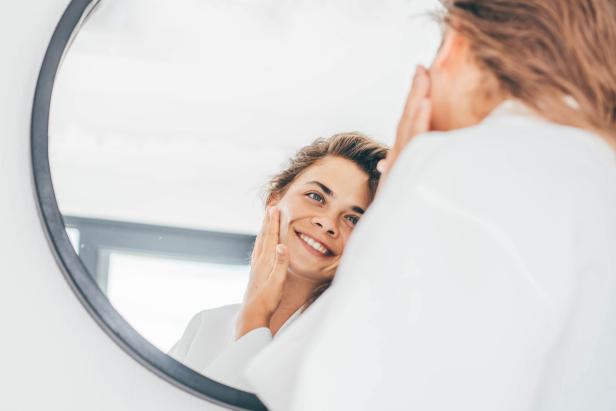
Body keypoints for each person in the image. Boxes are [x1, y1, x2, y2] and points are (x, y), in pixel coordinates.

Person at [244, 1, 616, 410]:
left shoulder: (464, 174)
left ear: (457, 43)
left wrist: (404, 192)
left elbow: (340, 394)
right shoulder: (597, 181)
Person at [168, 132, 388, 390]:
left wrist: (255, 319)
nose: (328, 223)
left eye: (353, 219)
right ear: (275, 199)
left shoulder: (354, 350)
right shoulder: (206, 324)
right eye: (316, 197)